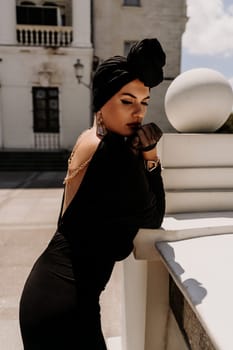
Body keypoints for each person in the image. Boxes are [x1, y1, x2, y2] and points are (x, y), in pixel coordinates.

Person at [19, 38, 166, 349]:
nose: (138, 113)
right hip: (68, 308)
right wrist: (150, 156)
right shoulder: (116, 156)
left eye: (145, 102)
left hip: (46, 290)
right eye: (127, 101)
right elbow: (154, 218)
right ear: (102, 102)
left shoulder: (90, 137)